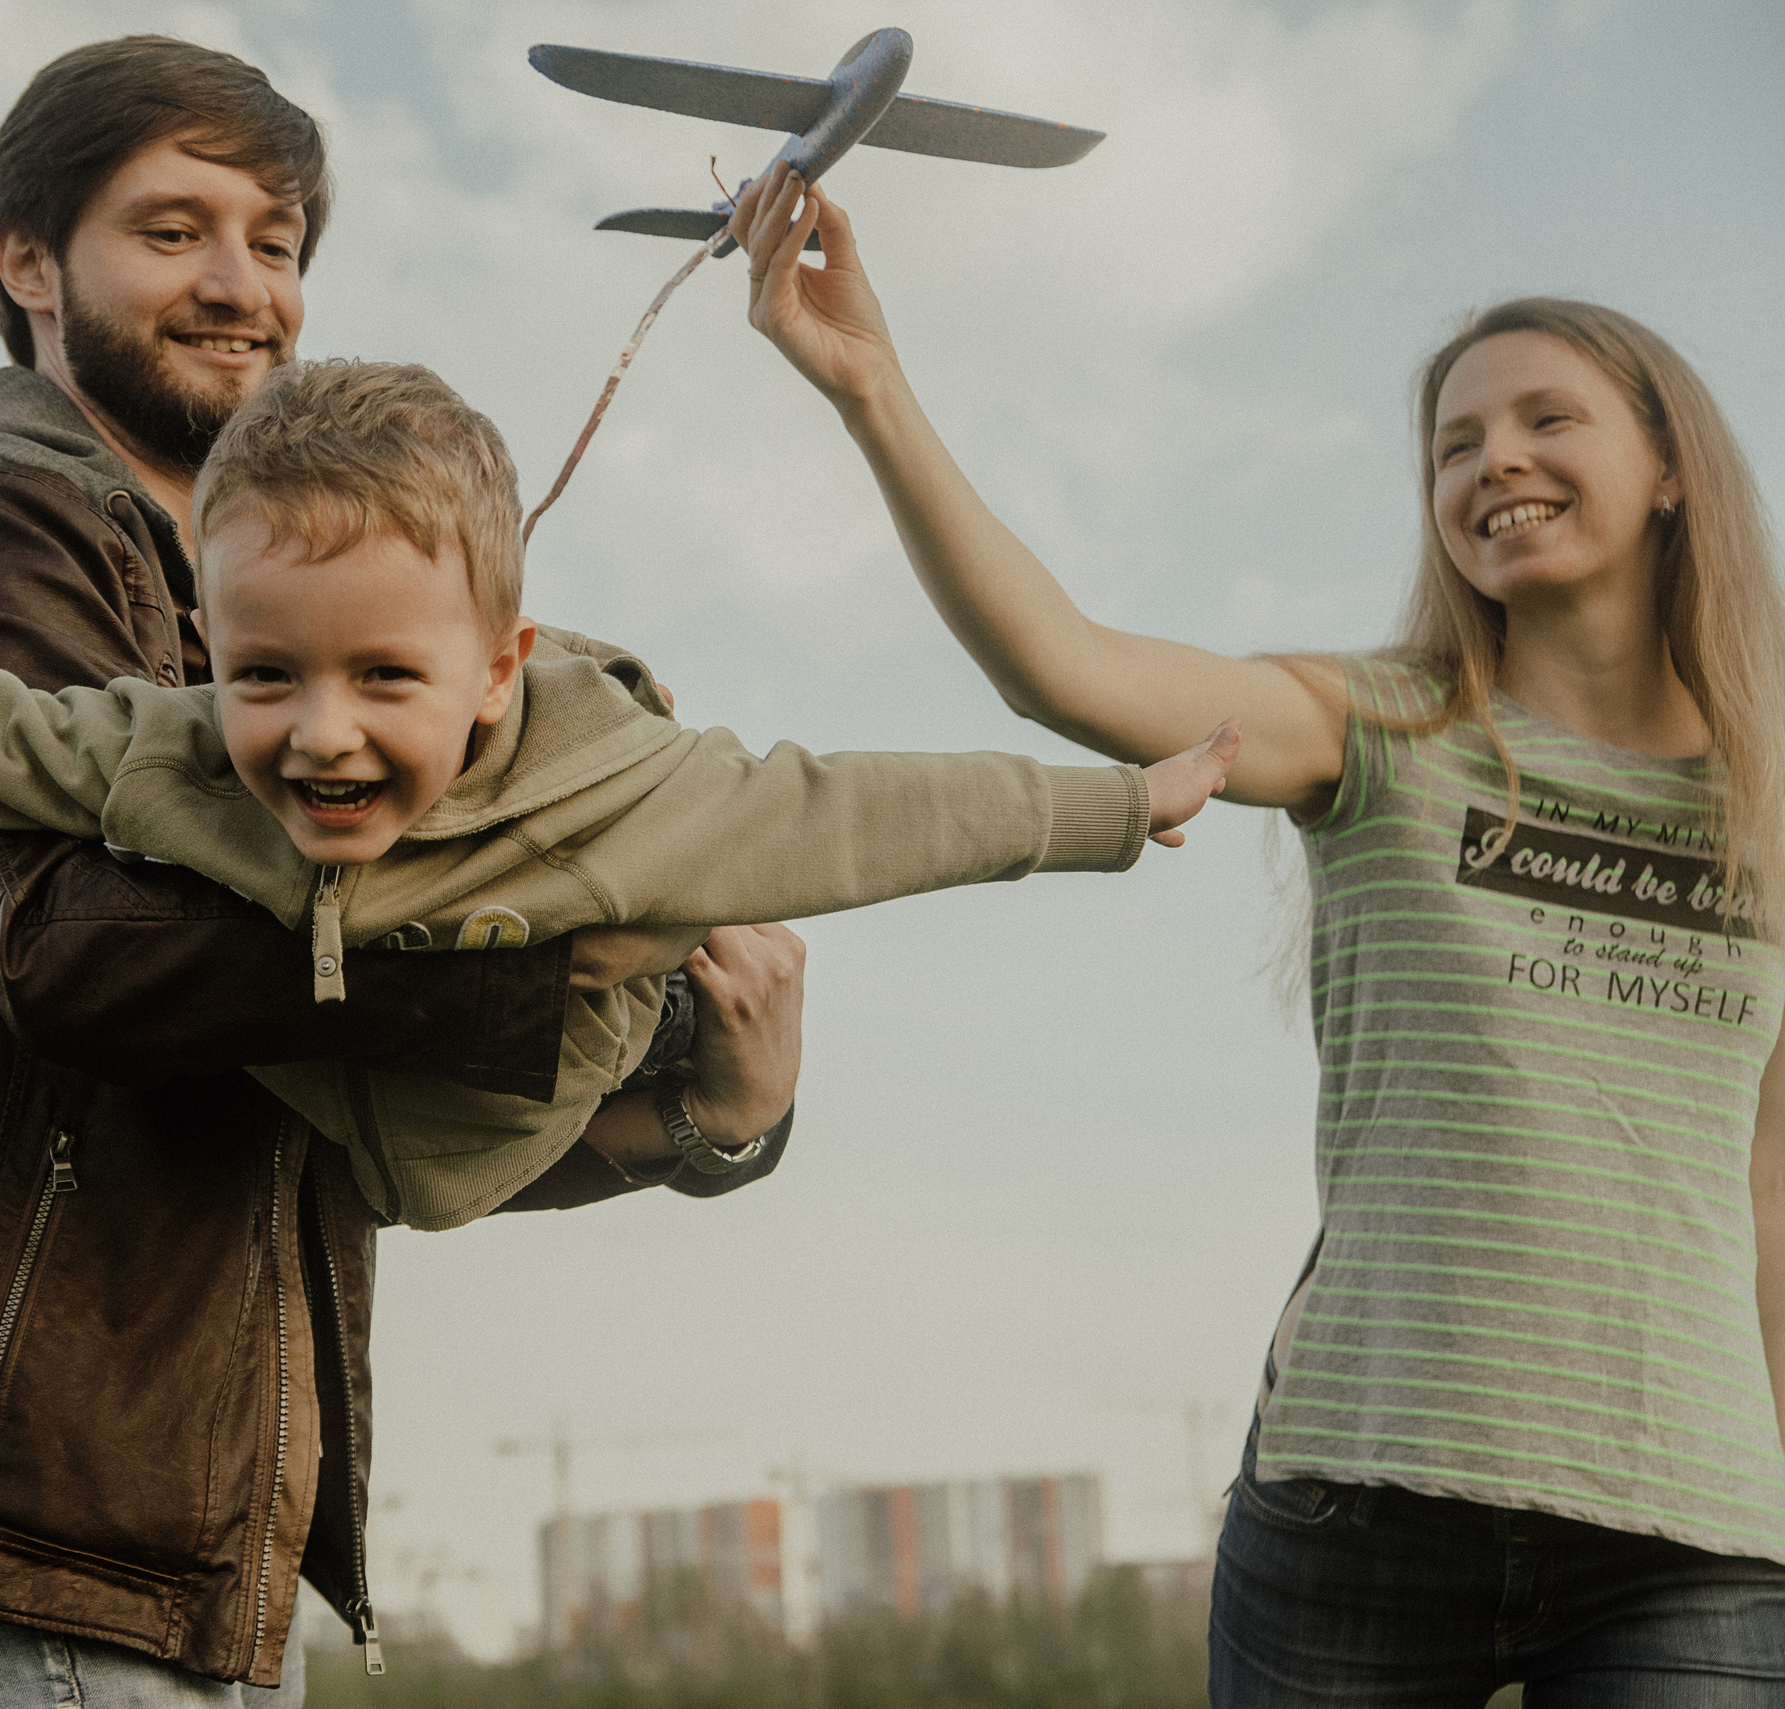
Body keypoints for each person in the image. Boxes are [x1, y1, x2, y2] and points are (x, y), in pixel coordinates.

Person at [0, 38, 809, 1708]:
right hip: (24, 1528)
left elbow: (337, 1131)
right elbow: (69, 951)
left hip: (170, 1553)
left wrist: (695, 1111)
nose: (244, 283)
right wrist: (543, 958)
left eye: (279, 240)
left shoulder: (225, 617)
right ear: (26, 261)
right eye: (175, 232)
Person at [727, 162, 1785, 1700]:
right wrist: (870, 386)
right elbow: (1062, 665)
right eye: (1456, 444)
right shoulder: (1376, 725)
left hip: (1692, 1525)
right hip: (1365, 1490)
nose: (1498, 461)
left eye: (1548, 419)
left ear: (1671, 464)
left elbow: (1770, 1189)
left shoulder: (1765, 806)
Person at [0, 359, 1238, 1231]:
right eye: (265, 675)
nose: (319, 735)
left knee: (665, 929)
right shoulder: (153, 752)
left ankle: (638, 1011)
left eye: (385, 679)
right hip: (328, 1112)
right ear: (203, 655)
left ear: (490, 663)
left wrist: (1108, 806)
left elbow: (873, 810)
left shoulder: (635, 798)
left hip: (495, 1122)